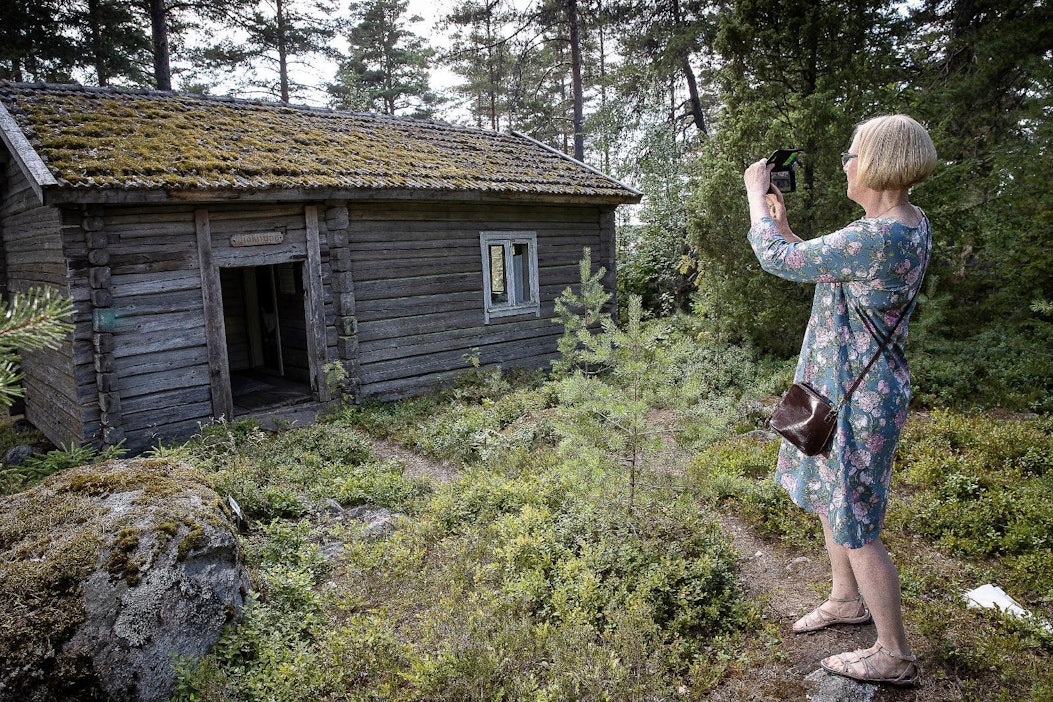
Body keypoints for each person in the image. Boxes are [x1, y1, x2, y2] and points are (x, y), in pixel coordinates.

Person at [742, 115, 937, 687]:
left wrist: (757, 196)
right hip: (840, 385)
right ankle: (845, 599)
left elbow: (777, 261)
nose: (844, 164)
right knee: (835, 501)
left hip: (855, 398)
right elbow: (834, 272)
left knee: (856, 520)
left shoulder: (878, 234)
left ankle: (895, 654)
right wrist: (789, 229)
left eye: (851, 154)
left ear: (876, 162)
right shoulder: (904, 224)